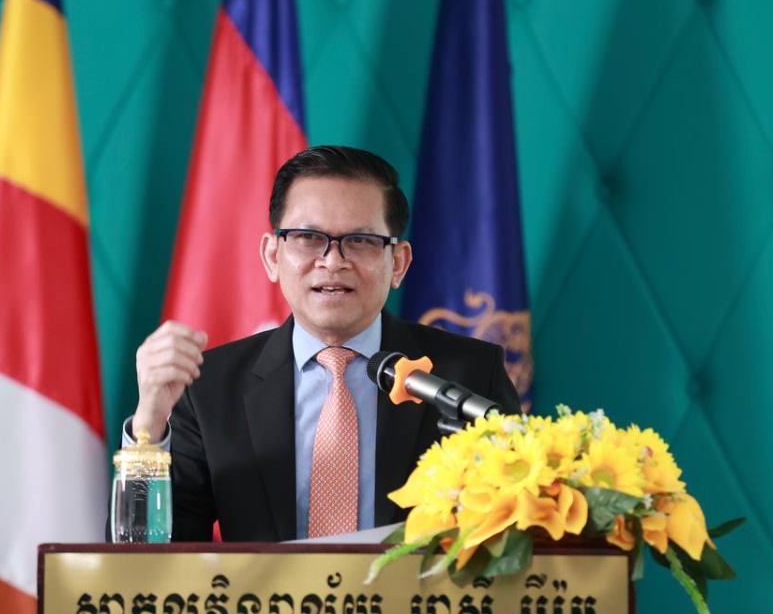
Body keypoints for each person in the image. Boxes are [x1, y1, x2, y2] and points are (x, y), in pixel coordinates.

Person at [125, 145, 521, 541]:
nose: (333, 261)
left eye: (361, 240)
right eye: (308, 237)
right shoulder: (209, 387)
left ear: (398, 263)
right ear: (272, 256)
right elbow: (147, 556)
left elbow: (513, 539)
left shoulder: (467, 374)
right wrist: (148, 430)